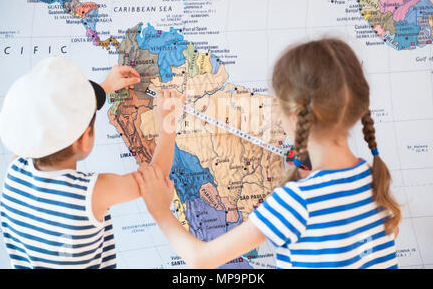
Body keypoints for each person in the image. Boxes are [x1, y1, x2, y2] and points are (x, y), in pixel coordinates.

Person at [134, 38, 401, 269]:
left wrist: (159, 209)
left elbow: (201, 259)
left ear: (294, 117)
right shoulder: (373, 178)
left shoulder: (296, 202)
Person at [0, 57, 184, 268]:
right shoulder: (91, 193)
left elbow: (43, 119)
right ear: (85, 138)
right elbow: (155, 177)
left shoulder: (14, 169)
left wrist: (104, 87)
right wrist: (168, 123)